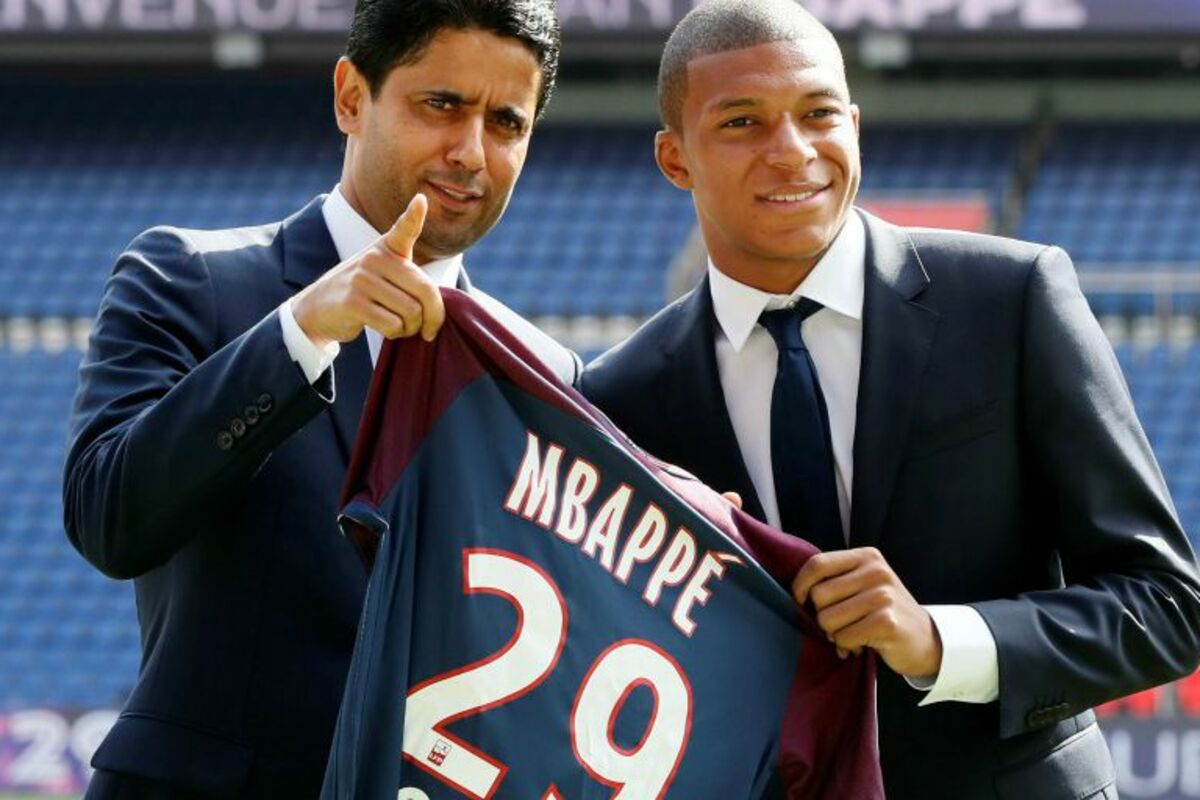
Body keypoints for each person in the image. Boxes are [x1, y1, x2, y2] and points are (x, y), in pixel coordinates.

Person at [580, 1, 1200, 797]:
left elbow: (1167, 606)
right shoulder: (620, 399)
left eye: (818, 113)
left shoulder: (1010, 299)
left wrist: (941, 641)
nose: (792, 150)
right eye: (742, 122)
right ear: (675, 159)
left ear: (855, 126)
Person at [62, 1, 577, 796]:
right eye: (441, 104)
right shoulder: (188, 279)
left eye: (507, 123)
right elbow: (109, 517)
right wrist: (299, 334)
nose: (472, 151)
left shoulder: (548, 376)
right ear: (350, 97)